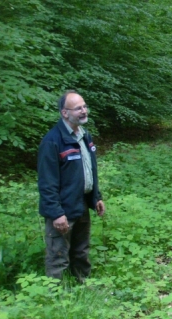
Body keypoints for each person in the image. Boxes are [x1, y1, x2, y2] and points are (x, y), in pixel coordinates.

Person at [38, 90, 105, 282]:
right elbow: (47, 182)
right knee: (58, 256)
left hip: (81, 204)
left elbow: (88, 170)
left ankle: (83, 285)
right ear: (64, 113)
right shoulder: (52, 141)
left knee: (81, 250)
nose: (84, 111)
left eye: (84, 106)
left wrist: (96, 197)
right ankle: (55, 295)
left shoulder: (85, 136)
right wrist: (56, 213)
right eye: (78, 108)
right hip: (62, 209)